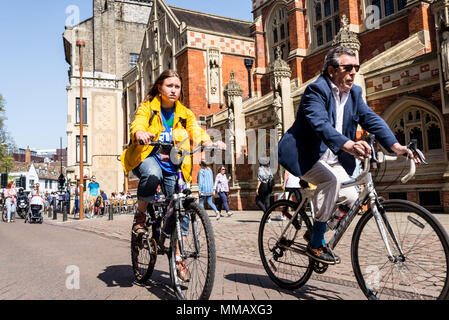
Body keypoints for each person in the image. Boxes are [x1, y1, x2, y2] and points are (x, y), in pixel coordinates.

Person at [278, 46, 420, 264]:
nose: (353, 72)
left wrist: (396, 146)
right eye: (348, 67)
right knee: (330, 180)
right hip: (305, 155)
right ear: (332, 70)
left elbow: (371, 119)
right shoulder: (316, 91)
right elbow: (321, 125)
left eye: (356, 67)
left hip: (334, 158)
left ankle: (317, 230)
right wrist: (349, 144)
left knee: (353, 198)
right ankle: (316, 242)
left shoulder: (354, 93)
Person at [120, 69, 226, 282]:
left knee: (182, 210)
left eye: (177, 87)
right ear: (159, 87)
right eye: (169, 86)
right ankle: (140, 217)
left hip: (175, 167)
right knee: (152, 174)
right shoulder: (148, 108)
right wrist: (139, 133)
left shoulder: (184, 114)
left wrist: (209, 141)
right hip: (148, 158)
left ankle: (179, 258)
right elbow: (138, 123)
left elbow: (196, 131)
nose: (173, 90)